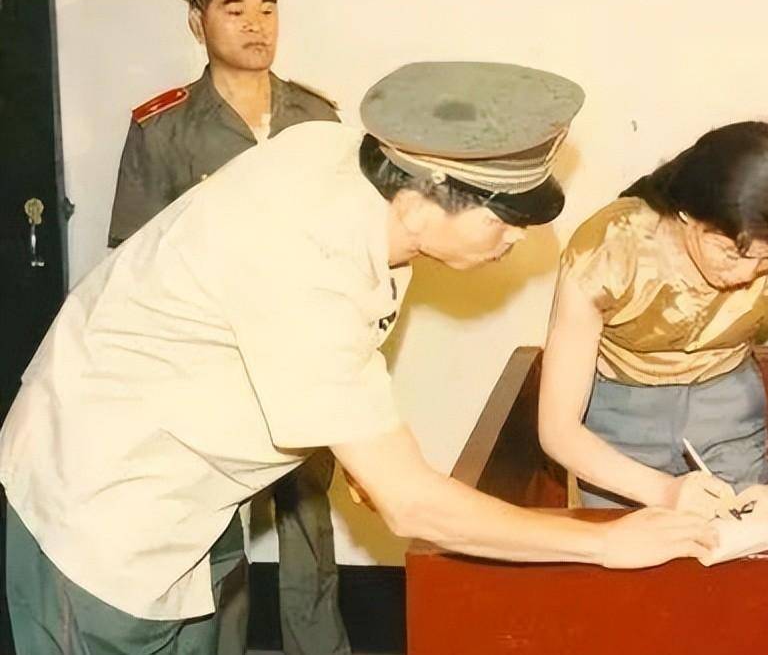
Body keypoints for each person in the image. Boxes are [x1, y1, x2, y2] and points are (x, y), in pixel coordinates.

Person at [1, 61, 715, 654]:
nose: (516, 240)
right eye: (502, 218)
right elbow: (411, 504)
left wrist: (369, 458)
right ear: (420, 204)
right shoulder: (307, 262)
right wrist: (606, 544)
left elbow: (324, 362)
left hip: (193, 491)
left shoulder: (357, 168)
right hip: (100, 504)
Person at [106, 0, 349, 655]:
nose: (255, 25)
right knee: (214, 533)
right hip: (208, 362)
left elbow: (346, 243)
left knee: (309, 523)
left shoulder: (317, 118)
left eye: (267, 8)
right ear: (197, 21)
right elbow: (132, 263)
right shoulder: (163, 129)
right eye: (233, 9)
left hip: (301, 357)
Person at [538, 121, 768, 522]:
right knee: (625, 547)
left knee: (742, 542)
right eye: (732, 253)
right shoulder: (609, 248)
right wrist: (665, 492)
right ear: (687, 214)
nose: (747, 274)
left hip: (726, 406)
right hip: (620, 416)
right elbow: (558, 428)